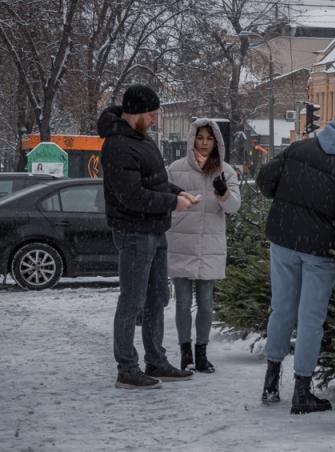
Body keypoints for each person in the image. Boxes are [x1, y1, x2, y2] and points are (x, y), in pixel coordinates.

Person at [256, 104, 335, 414]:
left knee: (281, 310)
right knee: (310, 320)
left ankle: (270, 383)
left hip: (282, 240)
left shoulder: (299, 148)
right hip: (320, 251)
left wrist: (287, 200)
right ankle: (302, 392)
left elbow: (265, 180)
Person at [99, 84, 197, 389]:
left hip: (154, 230)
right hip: (134, 233)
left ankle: (155, 359)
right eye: (151, 114)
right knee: (132, 301)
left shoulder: (142, 140)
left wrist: (178, 192)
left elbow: (155, 183)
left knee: (157, 298)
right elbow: (131, 196)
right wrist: (173, 203)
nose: (154, 119)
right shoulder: (117, 145)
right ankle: (126, 367)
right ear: (136, 113)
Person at [166, 119, 241, 374]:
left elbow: (233, 208)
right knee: (183, 303)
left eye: (209, 138)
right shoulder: (175, 169)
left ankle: (202, 353)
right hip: (181, 243)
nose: (204, 143)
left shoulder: (225, 171)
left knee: (206, 303)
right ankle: (185, 352)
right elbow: (166, 201)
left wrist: (223, 194)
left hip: (210, 245)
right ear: (192, 140)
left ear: (216, 141)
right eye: (200, 138)